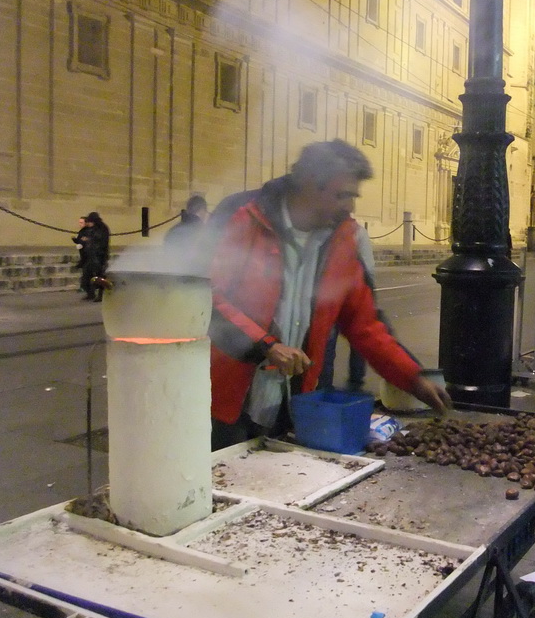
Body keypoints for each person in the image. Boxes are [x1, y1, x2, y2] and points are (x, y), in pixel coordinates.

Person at [207, 139, 451, 449]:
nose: (350, 206)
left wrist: (413, 380)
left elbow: (365, 325)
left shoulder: (343, 238)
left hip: (295, 401)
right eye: (342, 195)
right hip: (226, 401)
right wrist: (265, 345)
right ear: (309, 185)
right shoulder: (243, 216)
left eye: (353, 196)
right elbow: (207, 298)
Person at [318, 221, 375, 393]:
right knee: (358, 340)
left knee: (327, 343)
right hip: (351, 295)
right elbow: (368, 267)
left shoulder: (320, 229)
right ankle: (356, 382)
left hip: (328, 295)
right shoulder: (357, 231)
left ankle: (324, 385)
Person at [164, 194, 209, 273]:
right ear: (202, 210)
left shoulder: (173, 230)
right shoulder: (203, 231)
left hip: (173, 276)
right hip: (194, 278)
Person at [79, 212, 110, 301]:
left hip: (99, 256)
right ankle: (90, 293)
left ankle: (100, 295)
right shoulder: (92, 229)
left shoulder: (102, 228)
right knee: (86, 275)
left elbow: (102, 242)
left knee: (99, 276)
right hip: (90, 256)